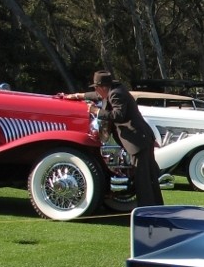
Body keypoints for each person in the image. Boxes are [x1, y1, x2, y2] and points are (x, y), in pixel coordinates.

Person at [67, 70, 163, 207]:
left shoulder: (116, 94)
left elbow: (118, 116)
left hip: (137, 140)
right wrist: (77, 96)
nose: (96, 91)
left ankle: (146, 211)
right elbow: (96, 95)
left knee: (143, 179)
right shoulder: (113, 90)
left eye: (96, 88)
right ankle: (156, 207)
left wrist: (97, 112)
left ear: (101, 87)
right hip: (141, 138)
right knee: (148, 177)